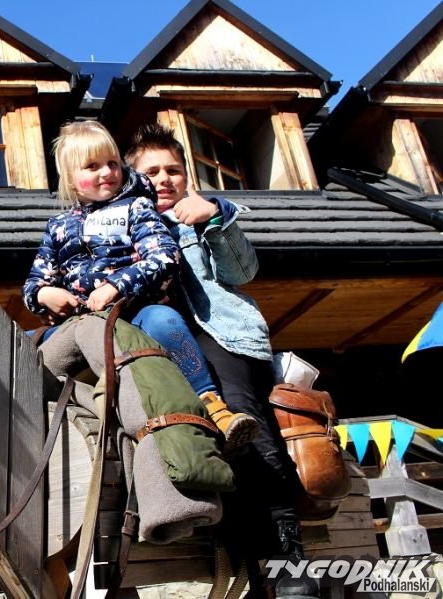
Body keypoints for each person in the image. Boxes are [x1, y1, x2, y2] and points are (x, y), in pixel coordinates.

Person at [125, 123, 317, 598]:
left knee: (245, 428)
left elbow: (243, 271)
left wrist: (215, 217)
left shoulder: (201, 216)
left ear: (187, 177)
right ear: (133, 179)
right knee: (194, 442)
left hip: (220, 336)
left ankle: (288, 557)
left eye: (173, 170)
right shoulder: (122, 225)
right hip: (162, 349)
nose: (164, 179)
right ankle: (238, 555)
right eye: (152, 172)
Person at [22, 120, 258, 453]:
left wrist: (116, 286)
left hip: (136, 309)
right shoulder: (57, 227)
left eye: (112, 163)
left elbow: (164, 255)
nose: (107, 172)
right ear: (71, 179)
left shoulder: (136, 208)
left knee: (166, 321)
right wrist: (44, 294)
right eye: (92, 166)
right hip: (81, 319)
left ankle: (211, 402)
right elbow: (36, 279)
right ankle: (23, 423)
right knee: (21, 343)